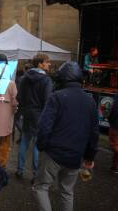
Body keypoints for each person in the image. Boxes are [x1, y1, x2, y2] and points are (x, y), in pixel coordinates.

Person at [33, 61, 99, 211]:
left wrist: (41, 146)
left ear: (61, 79)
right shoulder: (90, 101)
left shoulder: (56, 97)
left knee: (41, 187)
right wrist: (90, 157)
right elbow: (93, 133)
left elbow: (44, 126)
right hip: (75, 156)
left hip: (53, 153)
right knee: (67, 192)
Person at [16, 53, 53, 181]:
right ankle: (35, 174)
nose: (49, 64)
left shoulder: (25, 78)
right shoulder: (46, 80)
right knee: (36, 145)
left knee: (25, 142)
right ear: (40, 64)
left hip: (27, 113)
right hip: (39, 115)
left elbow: (19, 97)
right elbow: (48, 101)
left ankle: (20, 170)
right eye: (47, 62)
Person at [0, 54, 18, 168]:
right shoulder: (11, 83)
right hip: (6, 119)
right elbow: (15, 101)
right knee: (4, 143)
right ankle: (0, 165)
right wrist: (15, 109)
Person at [108, 93, 118, 174]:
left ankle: (115, 167)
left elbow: (112, 110)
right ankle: (115, 167)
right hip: (115, 125)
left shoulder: (116, 97)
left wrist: (111, 121)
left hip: (115, 126)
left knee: (114, 145)